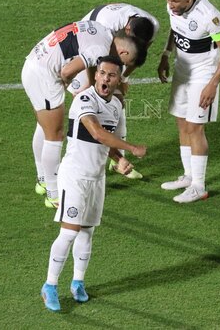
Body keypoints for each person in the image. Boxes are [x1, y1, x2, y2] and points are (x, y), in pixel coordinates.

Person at [40, 56, 147, 312]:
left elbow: (108, 143)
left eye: (111, 75)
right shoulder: (84, 99)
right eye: (102, 73)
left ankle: (77, 282)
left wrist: (120, 160)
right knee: (69, 231)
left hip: (97, 178)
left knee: (87, 232)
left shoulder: (117, 108)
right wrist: (132, 148)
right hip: (75, 176)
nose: (105, 79)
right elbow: (97, 133)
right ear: (96, 75)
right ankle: (50, 286)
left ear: (118, 79)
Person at [22, 20, 146, 208]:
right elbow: (66, 72)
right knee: (54, 136)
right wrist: (66, 84)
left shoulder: (104, 32)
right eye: (124, 65)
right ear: (123, 54)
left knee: (44, 125)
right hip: (45, 75)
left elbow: (89, 61)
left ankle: (43, 181)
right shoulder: (100, 50)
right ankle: (54, 195)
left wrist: (87, 85)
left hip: (36, 62)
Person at [157, 0, 220, 203]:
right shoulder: (174, 7)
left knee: (194, 128)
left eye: (176, 1)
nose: (171, 5)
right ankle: (188, 176)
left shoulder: (209, 16)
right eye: (168, 0)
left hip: (203, 75)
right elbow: (175, 29)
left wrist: (213, 83)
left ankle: (199, 186)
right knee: (182, 121)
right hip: (182, 70)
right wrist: (165, 54)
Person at [68, 3, 159, 179]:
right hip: (83, 48)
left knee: (117, 101)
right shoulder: (107, 25)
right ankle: (64, 169)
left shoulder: (151, 27)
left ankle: (118, 160)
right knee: (86, 106)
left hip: (108, 54)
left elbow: (136, 56)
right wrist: (92, 86)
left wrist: (122, 78)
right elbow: (93, 57)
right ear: (126, 28)